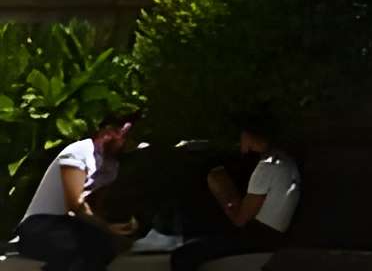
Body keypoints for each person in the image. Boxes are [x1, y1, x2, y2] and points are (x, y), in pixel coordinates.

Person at [165, 116, 299, 271]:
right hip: (273, 235)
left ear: (248, 136)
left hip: (261, 238)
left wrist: (223, 196)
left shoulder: (266, 168)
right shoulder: (285, 160)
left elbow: (240, 219)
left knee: (183, 255)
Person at [14, 110, 140, 271]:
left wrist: (113, 229)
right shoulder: (80, 152)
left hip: (71, 225)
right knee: (88, 246)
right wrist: (107, 229)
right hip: (39, 227)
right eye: (126, 137)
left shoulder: (111, 166)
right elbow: (76, 204)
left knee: (103, 246)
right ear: (109, 132)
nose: (130, 144)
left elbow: (94, 207)